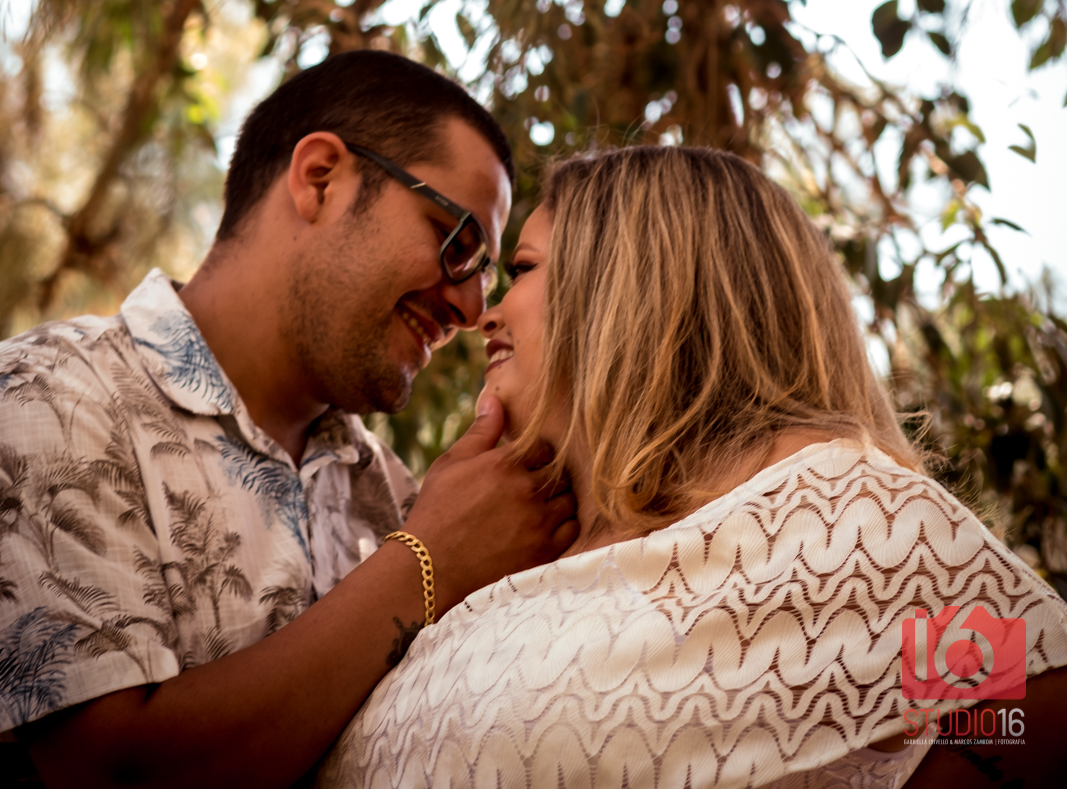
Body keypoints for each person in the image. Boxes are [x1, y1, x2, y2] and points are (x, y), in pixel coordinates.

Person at [321, 145, 1067, 789]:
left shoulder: (851, 524)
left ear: (631, 283)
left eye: (521, 268)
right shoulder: (515, 545)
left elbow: (1027, 707)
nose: (486, 313)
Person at [0, 50, 578, 788]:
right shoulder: (48, 395)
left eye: (490, 272)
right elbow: (109, 774)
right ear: (320, 179)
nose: (470, 307)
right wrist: (426, 562)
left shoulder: (391, 492)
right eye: (456, 242)